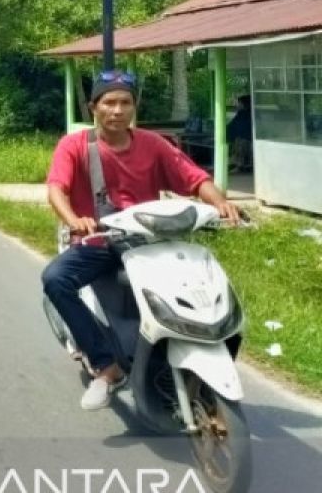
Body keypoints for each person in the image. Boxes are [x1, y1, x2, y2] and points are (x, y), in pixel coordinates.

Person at [41, 71, 242, 411]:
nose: (117, 110)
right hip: (100, 242)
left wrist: (219, 202)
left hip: (150, 241)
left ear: (135, 106)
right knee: (55, 279)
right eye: (109, 103)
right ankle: (107, 366)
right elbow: (56, 188)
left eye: (125, 103)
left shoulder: (153, 144)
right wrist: (75, 219)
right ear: (94, 107)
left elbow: (193, 178)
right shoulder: (74, 145)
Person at [226, 94, 253, 173]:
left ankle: (239, 165)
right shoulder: (242, 113)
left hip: (245, 138)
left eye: (239, 103)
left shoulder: (244, 114)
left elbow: (238, 127)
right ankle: (237, 164)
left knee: (239, 141)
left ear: (244, 104)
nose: (238, 105)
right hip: (245, 137)